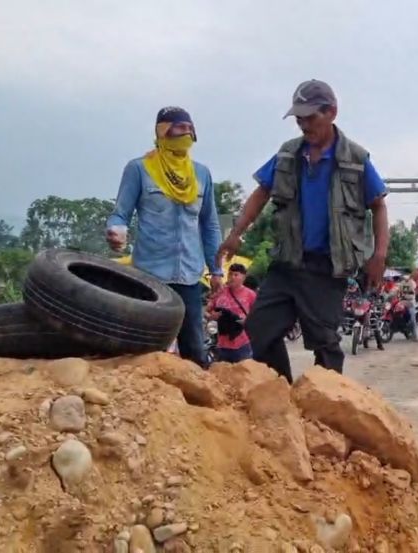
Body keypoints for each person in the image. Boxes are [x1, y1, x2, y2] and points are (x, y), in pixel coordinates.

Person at [217, 79, 389, 383]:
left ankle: (328, 405)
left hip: (326, 268)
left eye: (310, 117)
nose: (303, 125)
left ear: (332, 112)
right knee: (259, 331)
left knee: (323, 340)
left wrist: (379, 255)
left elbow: (378, 205)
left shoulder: (356, 160)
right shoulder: (288, 155)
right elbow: (261, 192)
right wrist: (236, 232)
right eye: (299, 119)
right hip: (287, 262)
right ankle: (281, 391)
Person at [107, 106, 222, 367]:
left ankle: (196, 404)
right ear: (162, 131)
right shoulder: (139, 169)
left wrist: (216, 270)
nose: (187, 133)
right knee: (148, 349)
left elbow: (210, 225)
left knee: (194, 348)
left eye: (190, 128)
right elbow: (120, 214)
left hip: (190, 275)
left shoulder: (201, 174)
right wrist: (116, 231)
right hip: (150, 275)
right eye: (180, 127)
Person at [206, 263, 257, 362]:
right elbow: (206, 312)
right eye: (230, 274)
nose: (232, 277)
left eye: (236, 275)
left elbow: (258, 314)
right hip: (221, 344)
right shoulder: (220, 293)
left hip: (243, 343)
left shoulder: (250, 295)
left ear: (243, 277)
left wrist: (247, 320)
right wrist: (212, 316)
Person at [397, 274, 418, 339]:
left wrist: (406, 293)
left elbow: (413, 289)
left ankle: (414, 335)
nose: (406, 277)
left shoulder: (412, 282)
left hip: (410, 302)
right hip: (402, 301)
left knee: (412, 319)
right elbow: (398, 291)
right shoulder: (401, 283)